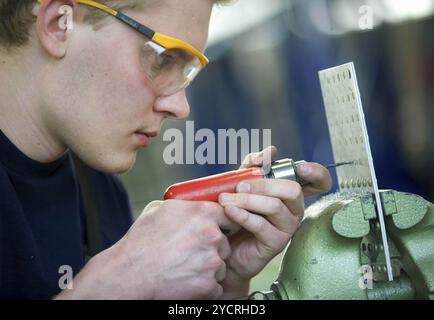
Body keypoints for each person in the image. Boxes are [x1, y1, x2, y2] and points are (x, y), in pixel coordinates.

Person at [0, 0, 332, 299]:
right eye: (164, 59)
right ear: (59, 24)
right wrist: (119, 281)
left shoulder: (98, 193)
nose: (180, 107)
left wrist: (222, 284)